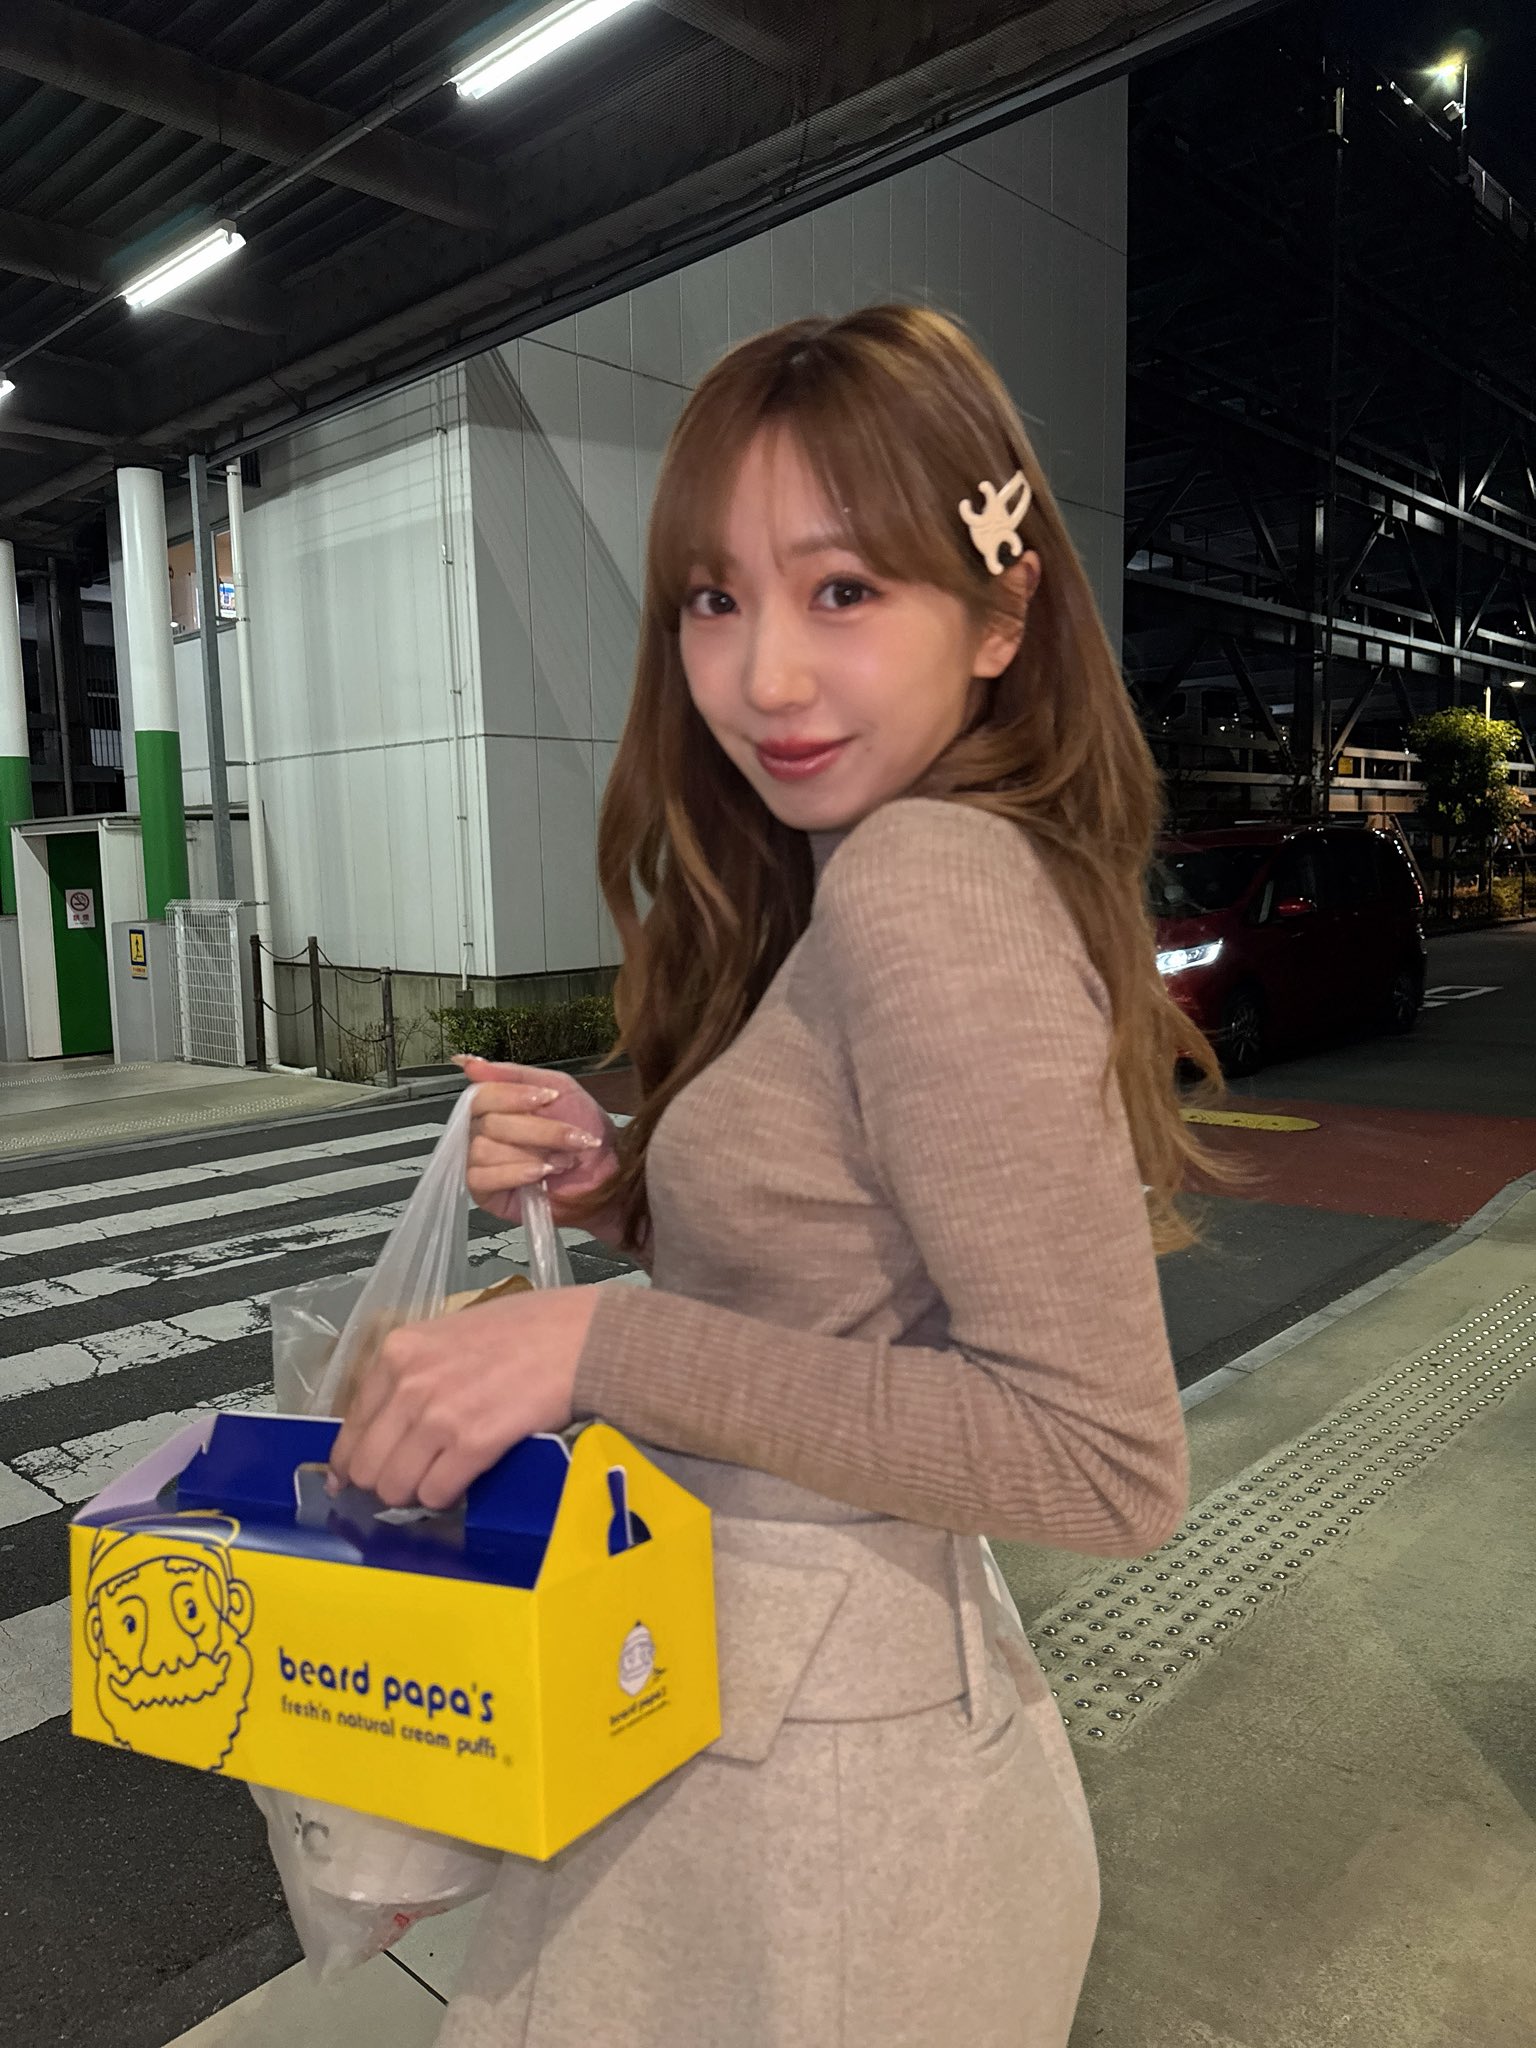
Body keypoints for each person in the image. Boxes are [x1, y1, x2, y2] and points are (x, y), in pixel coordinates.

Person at [328, 304, 1225, 2047]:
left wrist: (596, 1345)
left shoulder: (925, 884)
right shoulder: (855, 867)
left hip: (814, 1836)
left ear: (1002, 614)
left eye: (844, 590)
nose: (766, 679)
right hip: (768, 1744)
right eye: (714, 600)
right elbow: (853, 1257)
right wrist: (622, 1179)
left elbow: (1103, 1462)